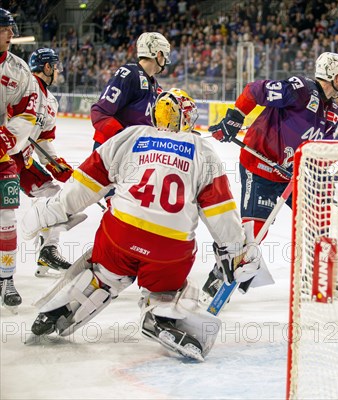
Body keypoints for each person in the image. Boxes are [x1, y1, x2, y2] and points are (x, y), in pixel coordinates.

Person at [21, 89, 264, 361]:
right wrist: (235, 250)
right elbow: (219, 210)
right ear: (186, 118)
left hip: (118, 236)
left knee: (105, 270)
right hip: (169, 250)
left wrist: (55, 210)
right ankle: (162, 314)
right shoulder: (203, 151)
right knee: (171, 286)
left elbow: (85, 184)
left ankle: (77, 296)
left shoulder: (131, 136)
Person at [202, 52, 338, 300]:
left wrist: (319, 172)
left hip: (291, 176)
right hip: (259, 168)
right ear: (335, 77)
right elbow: (254, 90)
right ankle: (219, 280)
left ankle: (315, 275)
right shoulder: (300, 89)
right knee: (255, 233)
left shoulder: (333, 111)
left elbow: (319, 147)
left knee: (317, 219)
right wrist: (235, 118)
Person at [10, 48, 74, 277]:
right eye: (55, 66)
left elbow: (44, 139)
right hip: (5, 154)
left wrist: (56, 164)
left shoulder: (51, 101)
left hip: (23, 159)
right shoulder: (23, 85)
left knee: (52, 195)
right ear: (47, 67)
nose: (58, 70)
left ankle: (48, 252)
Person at [0, 8, 37, 309]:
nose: (12, 34)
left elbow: (28, 113)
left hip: (2, 156)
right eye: (5, 29)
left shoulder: (19, 70)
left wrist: (7, 138)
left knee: (7, 219)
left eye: (12, 28)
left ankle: (6, 278)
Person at [90, 32, 170, 148]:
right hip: (110, 149)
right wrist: (123, 137)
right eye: (165, 55)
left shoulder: (155, 85)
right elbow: (100, 113)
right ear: (158, 54)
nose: (166, 60)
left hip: (132, 152)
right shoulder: (128, 74)